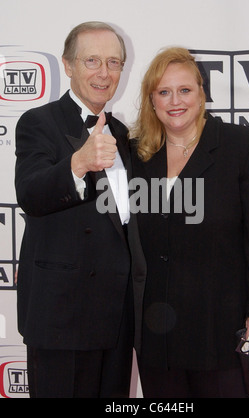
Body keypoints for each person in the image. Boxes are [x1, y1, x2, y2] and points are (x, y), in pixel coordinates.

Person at [129, 47, 249, 398]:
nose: (175, 101)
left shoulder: (241, 146)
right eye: (164, 91)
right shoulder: (137, 154)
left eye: (185, 90)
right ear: (151, 99)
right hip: (157, 335)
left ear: (202, 94)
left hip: (221, 329)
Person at [15, 21, 146, 398]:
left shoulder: (123, 134)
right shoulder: (38, 122)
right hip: (62, 316)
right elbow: (31, 193)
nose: (104, 73)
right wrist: (79, 162)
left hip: (116, 318)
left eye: (114, 62)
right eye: (92, 60)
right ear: (68, 65)